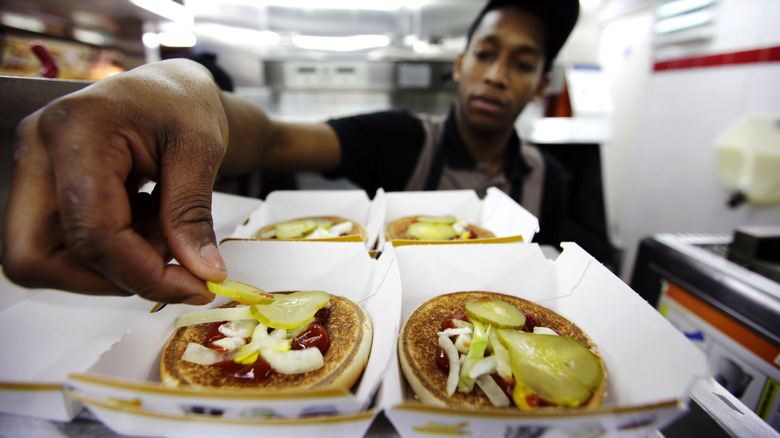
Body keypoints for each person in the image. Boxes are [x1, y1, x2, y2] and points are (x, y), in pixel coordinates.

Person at [1, 0, 579, 305]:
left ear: (540, 83)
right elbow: (273, 137)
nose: (498, 76)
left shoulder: (549, 178)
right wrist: (187, 89)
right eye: (486, 53)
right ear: (461, 64)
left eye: (522, 63)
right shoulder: (401, 137)